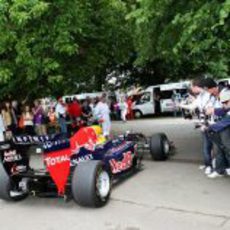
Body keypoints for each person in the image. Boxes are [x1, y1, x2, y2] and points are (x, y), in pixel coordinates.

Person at [179, 78, 217, 175]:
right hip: (203, 124)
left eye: (192, 86)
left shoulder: (208, 96)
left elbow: (210, 112)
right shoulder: (201, 96)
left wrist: (206, 124)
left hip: (210, 124)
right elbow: (192, 106)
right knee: (207, 145)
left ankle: (210, 166)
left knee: (209, 146)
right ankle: (208, 164)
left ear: (196, 87)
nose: (191, 89)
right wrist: (180, 105)